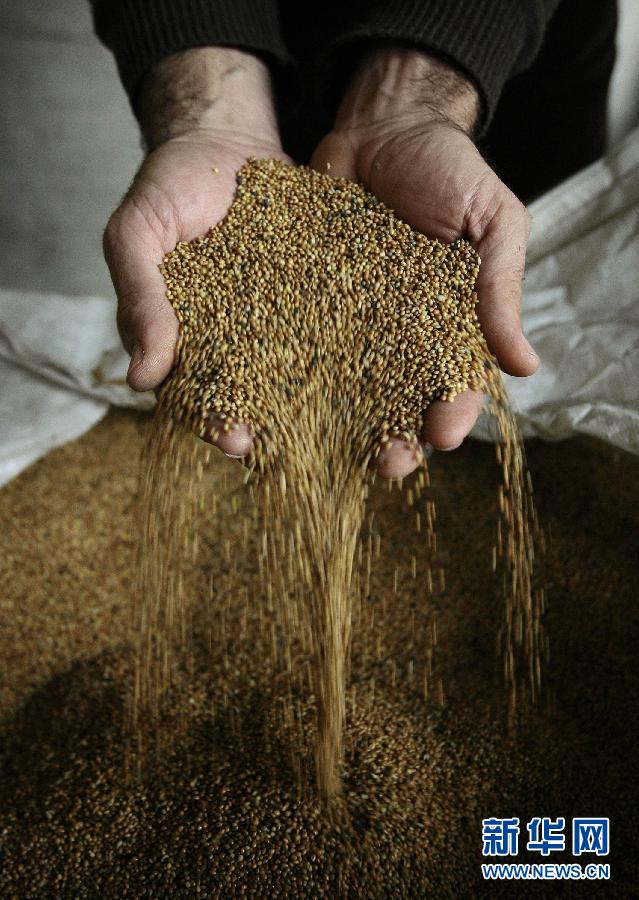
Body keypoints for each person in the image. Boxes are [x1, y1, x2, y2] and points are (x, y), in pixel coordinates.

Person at [91, 0, 617, 477]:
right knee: (287, 440)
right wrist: (209, 105)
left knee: (539, 345)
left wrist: (422, 85)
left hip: (504, 43)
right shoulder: (245, 203)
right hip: (258, 43)